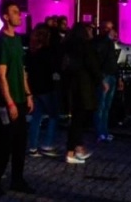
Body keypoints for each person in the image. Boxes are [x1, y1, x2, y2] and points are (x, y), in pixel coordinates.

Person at [0, 0, 35, 195]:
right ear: (5, 16)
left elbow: (21, 70)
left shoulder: (16, 40)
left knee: (20, 142)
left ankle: (17, 179)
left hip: (20, 99)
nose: (19, 15)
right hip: (6, 102)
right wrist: (9, 102)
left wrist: (28, 94)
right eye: (15, 12)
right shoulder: (1, 42)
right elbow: (0, 75)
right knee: (5, 142)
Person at [60, 20, 99, 164]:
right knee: (78, 119)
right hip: (82, 87)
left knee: (76, 119)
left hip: (71, 86)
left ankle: (77, 148)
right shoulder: (84, 46)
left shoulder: (67, 45)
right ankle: (71, 151)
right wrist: (99, 79)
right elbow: (92, 65)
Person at [24, 25, 60, 157]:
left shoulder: (31, 51)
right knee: (54, 115)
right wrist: (57, 80)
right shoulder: (47, 52)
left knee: (36, 117)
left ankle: (33, 146)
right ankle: (47, 144)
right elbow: (52, 70)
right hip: (47, 87)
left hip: (35, 87)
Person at [90, 21, 119, 142]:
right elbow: (98, 59)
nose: (109, 31)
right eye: (106, 29)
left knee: (107, 107)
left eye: (111, 28)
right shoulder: (98, 41)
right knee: (100, 106)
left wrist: (118, 77)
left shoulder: (110, 43)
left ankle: (105, 131)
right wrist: (102, 79)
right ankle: (99, 132)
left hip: (112, 75)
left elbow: (113, 60)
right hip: (104, 76)